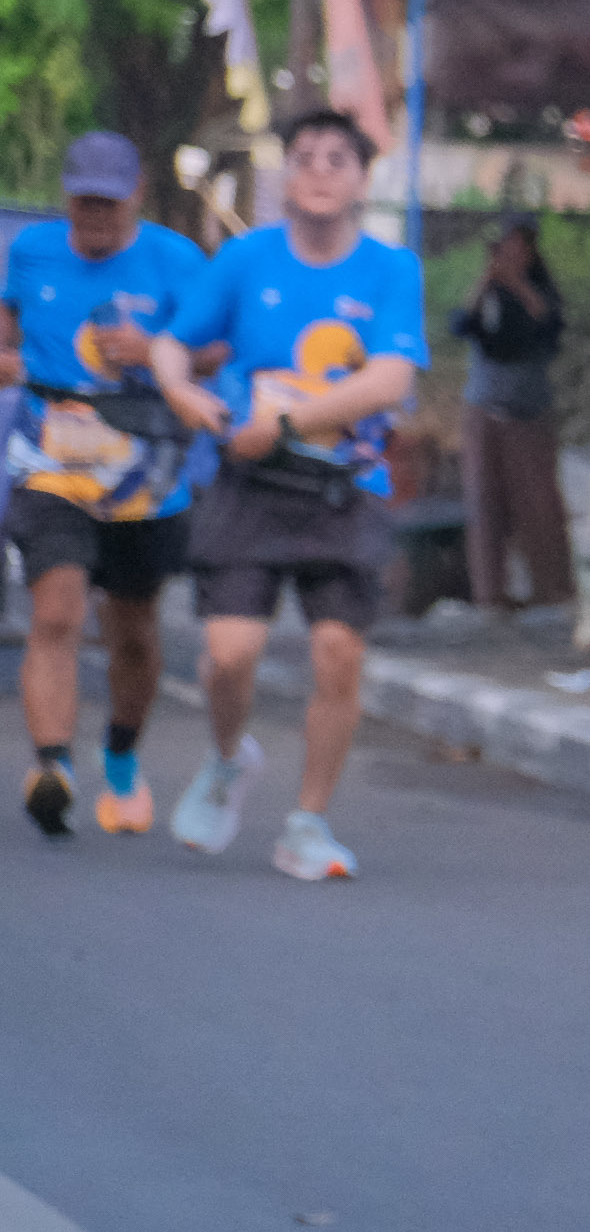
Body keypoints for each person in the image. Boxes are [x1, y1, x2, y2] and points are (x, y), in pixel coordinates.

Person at [148, 109, 427, 881]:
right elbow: (173, 341)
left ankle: (308, 822)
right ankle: (227, 758)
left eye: (338, 159)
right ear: (285, 177)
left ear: (362, 178)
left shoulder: (391, 269)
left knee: (338, 652)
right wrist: (181, 391)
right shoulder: (246, 259)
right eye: (305, 158)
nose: (320, 171)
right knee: (229, 655)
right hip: (249, 487)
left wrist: (286, 423)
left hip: (344, 489)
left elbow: (391, 377)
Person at [6, 133, 219, 837]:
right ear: (67, 196)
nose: (95, 213)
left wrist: (157, 351)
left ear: (137, 194)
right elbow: (7, 331)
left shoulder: (175, 260)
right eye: (84, 200)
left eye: (109, 200)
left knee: (132, 630)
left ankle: (121, 758)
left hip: (144, 467)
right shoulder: (33, 251)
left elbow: (217, 347)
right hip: (51, 458)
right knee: (56, 610)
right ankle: (53, 767)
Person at [449, 214, 574, 620]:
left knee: (539, 504)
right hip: (485, 407)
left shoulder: (541, 290)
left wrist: (518, 285)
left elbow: (548, 327)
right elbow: (461, 325)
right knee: (485, 501)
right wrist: (486, 282)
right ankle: (491, 594)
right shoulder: (487, 292)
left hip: (528, 410)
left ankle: (551, 589)